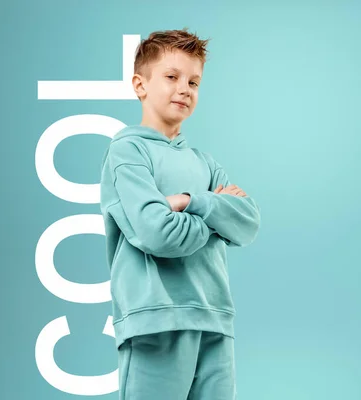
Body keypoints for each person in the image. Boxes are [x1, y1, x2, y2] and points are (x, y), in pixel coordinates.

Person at [99, 28, 261, 400]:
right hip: (155, 319)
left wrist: (189, 201)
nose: (184, 88)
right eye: (171, 77)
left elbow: (248, 223)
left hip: (215, 318)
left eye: (194, 81)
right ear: (140, 85)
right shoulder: (127, 152)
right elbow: (157, 234)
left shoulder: (205, 163)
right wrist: (217, 219)